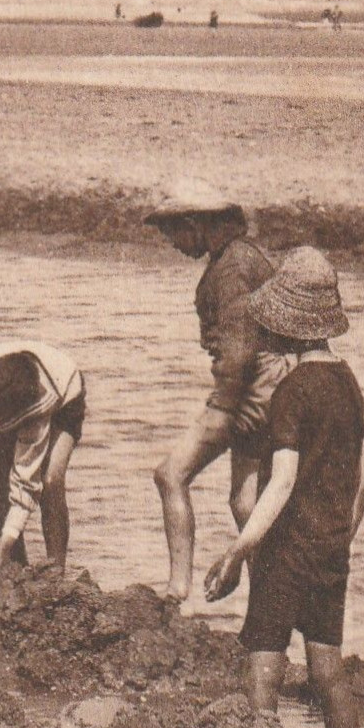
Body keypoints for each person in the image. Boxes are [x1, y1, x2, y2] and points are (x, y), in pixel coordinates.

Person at [204, 247, 364, 728]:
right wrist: (344, 536)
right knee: (328, 669)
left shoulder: (292, 392)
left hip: (287, 550)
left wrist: (238, 549)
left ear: (285, 329)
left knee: (264, 651)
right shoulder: (348, 384)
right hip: (330, 549)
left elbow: (281, 484)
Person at [146, 179, 285, 602]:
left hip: (250, 392)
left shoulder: (232, 268)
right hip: (269, 390)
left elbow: (240, 352)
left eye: (172, 233)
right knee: (245, 505)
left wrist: (222, 407)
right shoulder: (238, 259)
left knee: (171, 474)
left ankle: (177, 588)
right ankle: (270, 601)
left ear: (193, 223)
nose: (171, 243)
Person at [0, 340, 85, 573]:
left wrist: (2, 545)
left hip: (65, 392)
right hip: (13, 393)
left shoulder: (35, 416)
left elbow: (26, 485)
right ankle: (15, 565)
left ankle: (56, 571)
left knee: (50, 480)